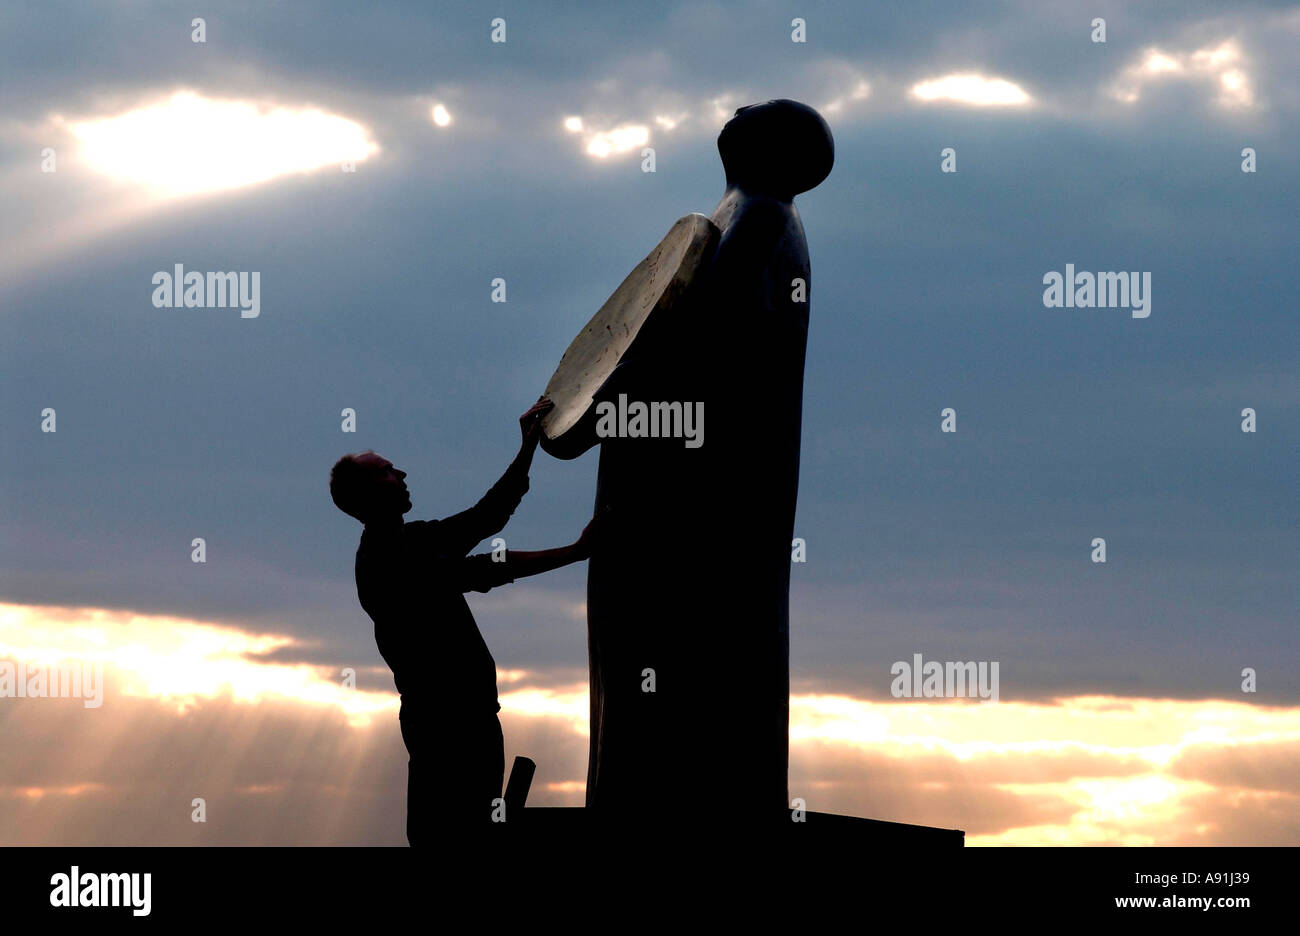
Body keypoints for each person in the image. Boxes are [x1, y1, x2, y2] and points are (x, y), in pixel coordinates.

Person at [329, 398, 594, 843]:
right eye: (389, 471)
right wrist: (573, 552)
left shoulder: (409, 540)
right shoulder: (386, 562)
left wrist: (528, 447)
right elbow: (486, 568)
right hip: (449, 730)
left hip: (464, 722)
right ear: (373, 492)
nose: (403, 474)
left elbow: (487, 516)